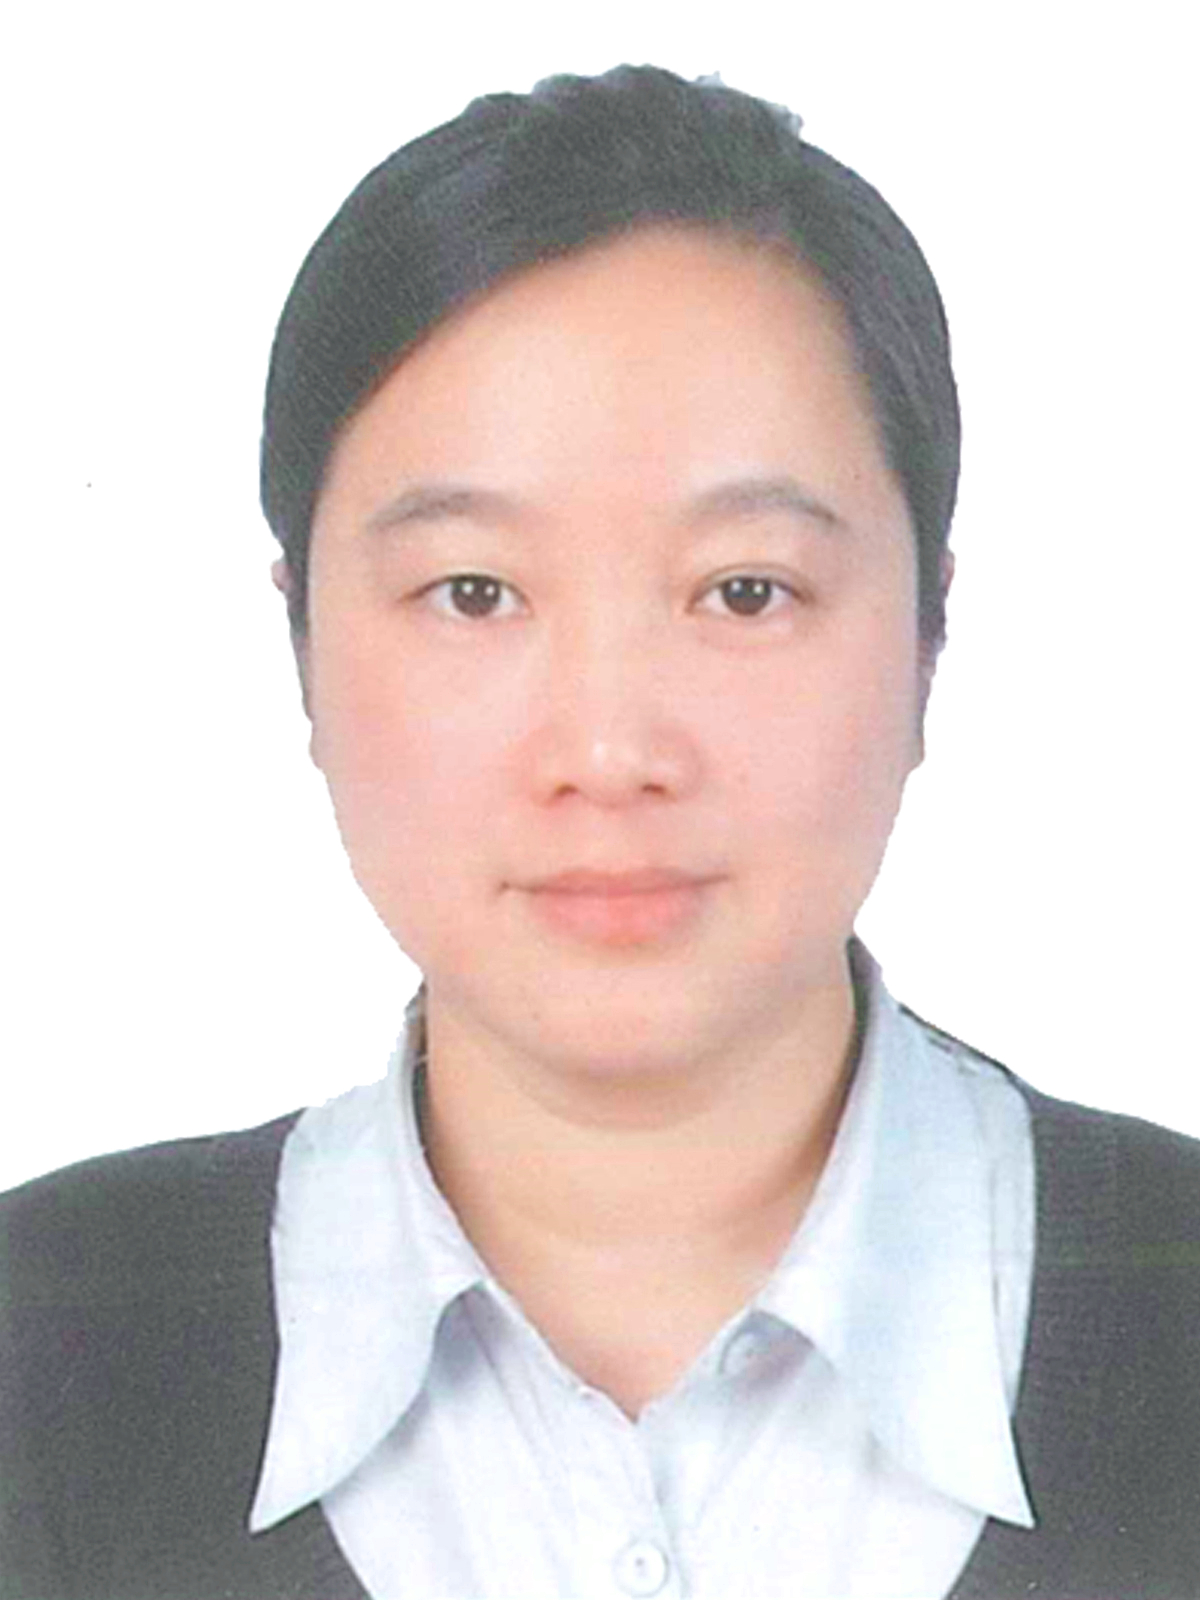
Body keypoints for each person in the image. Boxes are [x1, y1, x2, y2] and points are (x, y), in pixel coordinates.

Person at [1, 63, 1197, 1600]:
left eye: (745, 592)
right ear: (300, 645)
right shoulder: (39, 1352)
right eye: (474, 594)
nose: (612, 753)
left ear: (929, 637)